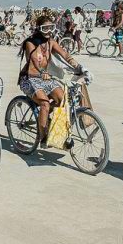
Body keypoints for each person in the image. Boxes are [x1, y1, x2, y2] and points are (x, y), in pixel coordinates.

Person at [18, 15, 85, 147]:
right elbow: (34, 60)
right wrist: (42, 72)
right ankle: (43, 137)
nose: (49, 31)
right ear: (39, 28)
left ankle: (45, 118)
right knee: (45, 104)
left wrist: (79, 67)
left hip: (46, 78)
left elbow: (65, 55)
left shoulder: (51, 42)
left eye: (51, 28)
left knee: (63, 99)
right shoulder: (30, 43)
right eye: (45, 28)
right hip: (29, 79)